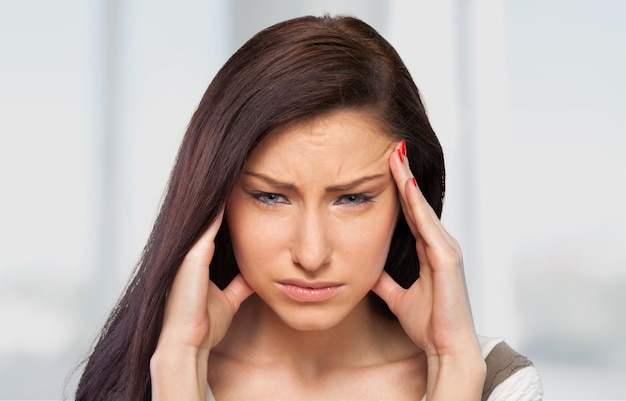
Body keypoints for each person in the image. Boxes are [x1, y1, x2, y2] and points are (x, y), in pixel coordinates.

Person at [72, 14, 542, 401]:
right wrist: (177, 374)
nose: (312, 255)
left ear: (407, 202)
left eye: (353, 198)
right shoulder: (136, 381)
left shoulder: (498, 384)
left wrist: (453, 371)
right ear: (215, 198)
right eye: (271, 196)